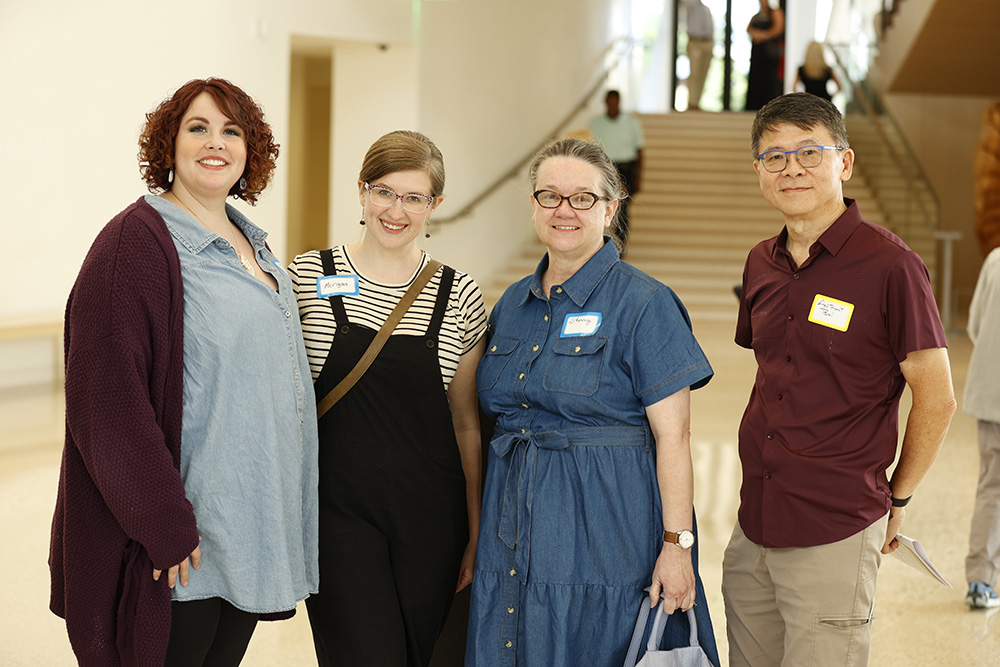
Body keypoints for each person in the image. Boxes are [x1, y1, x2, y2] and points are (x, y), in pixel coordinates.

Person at [48, 78, 319, 666]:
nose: (214, 142)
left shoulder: (257, 246)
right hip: (179, 544)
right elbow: (105, 403)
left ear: (252, 150)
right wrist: (164, 523)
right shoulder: (134, 244)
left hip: (247, 526)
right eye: (198, 128)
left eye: (232, 130)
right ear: (169, 143)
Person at [465, 138, 719, 666]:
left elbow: (674, 436)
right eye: (550, 196)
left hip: (605, 532)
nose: (564, 210)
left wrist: (677, 546)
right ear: (534, 206)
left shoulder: (646, 303)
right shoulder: (512, 302)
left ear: (609, 209)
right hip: (509, 529)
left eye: (582, 198)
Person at [725, 92, 956, 665]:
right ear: (759, 171)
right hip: (753, 520)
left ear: (844, 163)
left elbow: (937, 396)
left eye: (809, 151)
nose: (792, 168)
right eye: (774, 157)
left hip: (833, 526)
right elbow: (775, 379)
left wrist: (898, 496)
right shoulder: (761, 261)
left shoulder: (892, 267)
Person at [288, 130, 487, 667]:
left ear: (435, 205)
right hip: (336, 515)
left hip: (432, 520)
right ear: (361, 191)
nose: (396, 210)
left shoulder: (460, 295)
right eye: (383, 192)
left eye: (414, 197)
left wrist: (474, 531)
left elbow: (466, 424)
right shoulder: (305, 279)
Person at [964, 247, 1000, 608]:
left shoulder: (995, 259)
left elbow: (975, 324)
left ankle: (981, 581)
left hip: (992, 396)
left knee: (993, 488)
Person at [588, 90, 644, 246]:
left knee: (622, 208)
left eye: (615, 102)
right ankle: (598, 242)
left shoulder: (632, 123)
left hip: (626, 168)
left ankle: (620, 245)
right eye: (609, 102)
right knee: (601, 205)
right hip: (605, 168)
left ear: (619, 102)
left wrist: (639, 176)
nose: (612, 105)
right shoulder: (595, 124)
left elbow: (639, 150)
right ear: (605, 103)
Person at [745, 0, 785, 111]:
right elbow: (748, 29)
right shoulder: (757, 15)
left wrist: (765, 35)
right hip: (757, 54)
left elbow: (778, 28)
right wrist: (755, 34)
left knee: (768, 81)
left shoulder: (775, 12)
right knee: (756, 80)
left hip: (769, 54)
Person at [685, 0, 715, 111]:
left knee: (703, 74)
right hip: (695, 42)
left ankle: (696, 103)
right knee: (695, 74)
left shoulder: (706, 9)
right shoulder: (690, 4)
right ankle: (692, 103)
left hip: (707, 42)